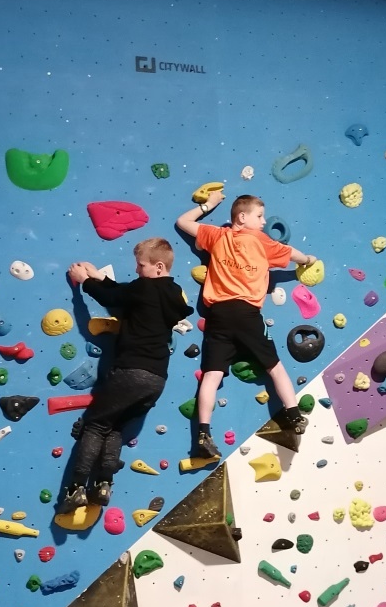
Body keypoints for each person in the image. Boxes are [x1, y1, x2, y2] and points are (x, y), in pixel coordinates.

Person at [176, 190, 317, 461]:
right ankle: (294, 416)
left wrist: (208, 205)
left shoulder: (217, 236)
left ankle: (203, 434)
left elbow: (183, 222)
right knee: (274, 367)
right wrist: (309, 260)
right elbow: (294, 255)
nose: (264, 222)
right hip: (247, 313)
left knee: (212, 375)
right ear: (242, 217)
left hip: (218, 314)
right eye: (259, 216)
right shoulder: (262, 241)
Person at [57, 237, 193, 512]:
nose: (136, 270)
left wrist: (85, 281)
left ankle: (76, 488)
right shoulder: (172, 293)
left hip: (131, 370)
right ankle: (103, 484)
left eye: (140, 265)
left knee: (95, 425)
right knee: (115, 427)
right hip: (156, 379)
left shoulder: (144, 288)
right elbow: (124, 292)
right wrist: (99, 276)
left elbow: (114, 297)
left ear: (158, 267)